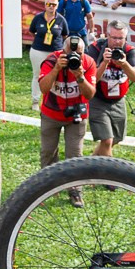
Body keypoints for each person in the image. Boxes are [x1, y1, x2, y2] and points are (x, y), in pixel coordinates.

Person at [38, 36, 98, 204]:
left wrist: (80, 77)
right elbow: (43, 88)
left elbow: (90, 94)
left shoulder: (88, 63)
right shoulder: (51, 60)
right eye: (71, 53)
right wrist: (56, 68)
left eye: (78, 53)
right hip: (52, 113)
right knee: (48, 152)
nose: (75, 57)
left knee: (75, 154)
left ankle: (75, 191)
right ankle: (47, 187)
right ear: (63, 51)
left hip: (76, 115)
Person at [86, 32, 134, 157]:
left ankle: (91, 163)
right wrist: (104, 63)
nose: (117, 41)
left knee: (116, 139)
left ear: (125, 38)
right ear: (108, 36)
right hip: (98, 99)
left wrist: (124, 64)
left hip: (118, 100)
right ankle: (108, 173)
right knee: (107, 141)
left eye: (120, 38)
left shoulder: (128, 50)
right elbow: (92, 79)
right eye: (114, 38)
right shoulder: (96, 48)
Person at [29, 0, 68, 67]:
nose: (51, 6)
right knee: (38, 75)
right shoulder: (38, 17)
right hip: (38, 50)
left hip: (56, 52)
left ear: (57, 6)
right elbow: (31, 31)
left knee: (56, 75)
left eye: (54, 4)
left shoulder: (61, 19)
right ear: (45, 5)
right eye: (48, 4)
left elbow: (65, 35)